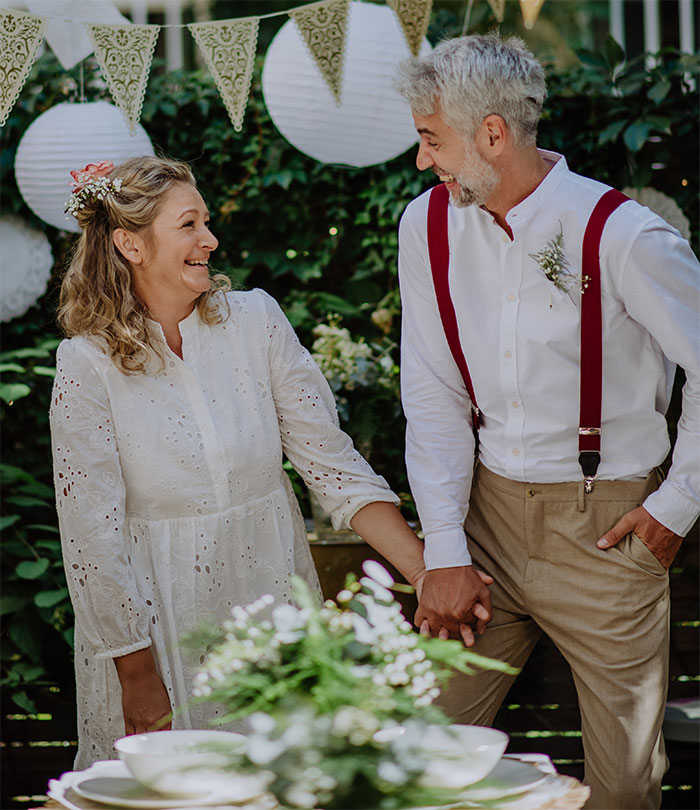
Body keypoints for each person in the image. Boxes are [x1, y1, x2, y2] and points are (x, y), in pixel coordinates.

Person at [50, 156, 454, 768]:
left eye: (206, 222)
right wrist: (136, 673)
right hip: (156, 632)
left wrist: (428, 575)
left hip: (271, 602)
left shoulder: (257, 322)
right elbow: (92, 543)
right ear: (130, 243)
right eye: (188, 225)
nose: (209, 240)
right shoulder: (86, 364)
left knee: (290, 779)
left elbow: (333, 469)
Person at [394, 33, 699, 810]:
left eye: (433, 139)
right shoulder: (425, 227)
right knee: (415, 760)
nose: (424, 160)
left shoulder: (623, 234)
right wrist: (445, 548)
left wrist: (677, 505)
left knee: (626, 784)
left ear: (491, 133)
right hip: (485, 519)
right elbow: (432, 390)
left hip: (606, 528)